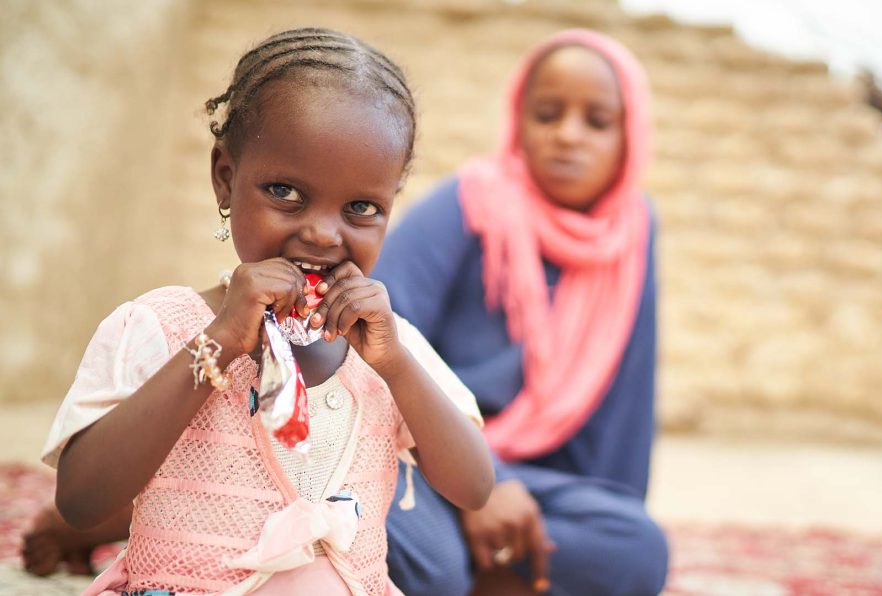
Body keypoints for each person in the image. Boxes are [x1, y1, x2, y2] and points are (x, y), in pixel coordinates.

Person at [35, 27, 493, 595]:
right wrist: (220, 341)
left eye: (361, 207)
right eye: (285, 192)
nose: (323, 233)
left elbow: (474, 487)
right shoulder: (159, 326)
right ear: (226, 178)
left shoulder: (389, 350)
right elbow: (82, 500)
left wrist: (397, 367)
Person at [376, 29, 669, 595]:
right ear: (518, 120)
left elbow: (626, 411)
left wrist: (604, 516)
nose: (568, 136)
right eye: (548, 114)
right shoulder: (471, 201)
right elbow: (380, 341)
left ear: (629, 137)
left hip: (537, 491)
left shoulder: (632, 234)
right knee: (430, 565)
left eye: (597, 121)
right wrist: (482, 486)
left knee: (636, 549)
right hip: (427, 455)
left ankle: (487, 564)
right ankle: (479, 569)